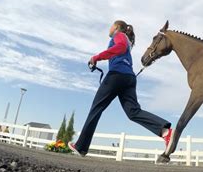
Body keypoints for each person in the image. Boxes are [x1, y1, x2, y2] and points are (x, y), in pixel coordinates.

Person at [68, 20, 173, 156]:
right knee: (133, 112)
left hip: (116, 76)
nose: (110, 28)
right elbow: (122, 49)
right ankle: (165, 132)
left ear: (117, 27)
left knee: (96, 108)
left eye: (111, 25)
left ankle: (81, 146)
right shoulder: (125, 39)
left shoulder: (120, 36)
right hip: (129, 78)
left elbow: (121, 47)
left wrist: (96, 57)